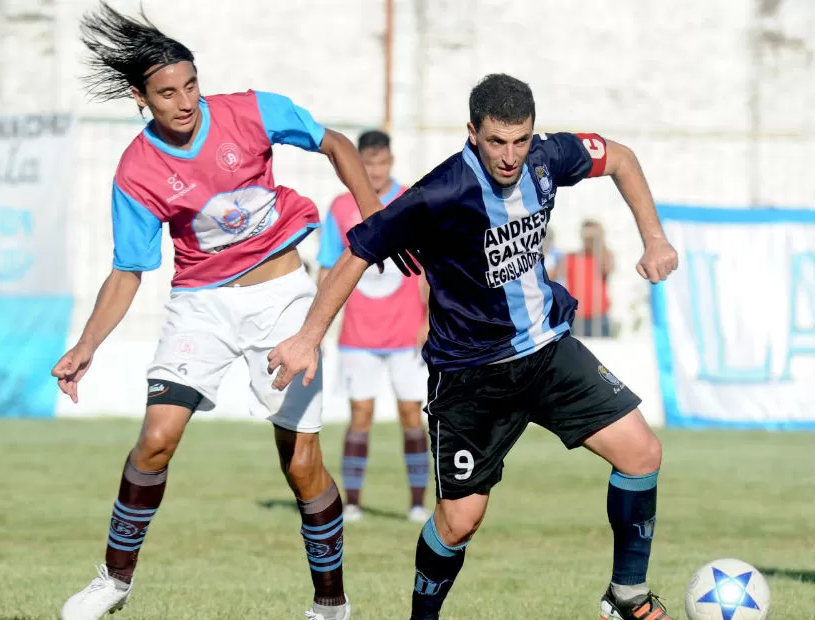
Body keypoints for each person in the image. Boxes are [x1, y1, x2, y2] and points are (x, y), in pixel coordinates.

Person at [268, 73, 679, 620]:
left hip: (548, 350)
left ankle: (627, 595)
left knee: (641, 452)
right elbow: (357, 253)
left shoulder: (548, 158)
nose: (510, 156)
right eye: (496, 142)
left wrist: (654, 237)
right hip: (471, 376)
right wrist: (308, 337)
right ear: (472, 132)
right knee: (460, 519)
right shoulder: (441, 192)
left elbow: (621, 158)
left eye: (520, 140)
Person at [50, 4, 414, 619]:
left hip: (282, 300)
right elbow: (128, 270)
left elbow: (334, 143)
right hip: (202, 307)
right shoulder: (136, 170)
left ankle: (331, 603)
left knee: (301, 468)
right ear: (142, 98)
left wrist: (375, 215)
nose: (185, 101)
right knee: (155, 442)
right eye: (167, 93)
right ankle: (114, 579)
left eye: (190, 84)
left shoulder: (251, 110)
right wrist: (87, 345)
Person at [316, 129, 431, 523]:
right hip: (358, 335)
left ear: (391, 162)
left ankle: (417, 503)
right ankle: (352, 503)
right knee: (359, 415)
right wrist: (319, 328)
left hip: (406, 332)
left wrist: (430, 319)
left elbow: (428, 268)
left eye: (382, 163)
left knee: (412, 415)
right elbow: (328, 270)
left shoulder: (409, 201)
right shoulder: (340, 207)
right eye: (368, 164)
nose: (376, 171)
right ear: (357, 164)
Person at [565, 219, 614, 337]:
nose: (590, 239)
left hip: (599, 317)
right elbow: (549, 277)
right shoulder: (571, 258)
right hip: (576, 317)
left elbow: (607, 269)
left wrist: (599, 240)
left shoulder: (603, 256)